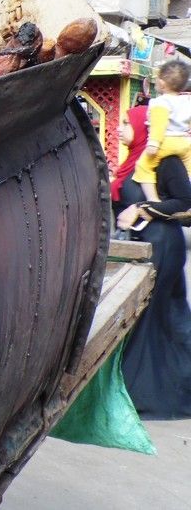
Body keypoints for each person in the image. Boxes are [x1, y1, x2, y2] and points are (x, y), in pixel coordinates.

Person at [113, 106, 191, 419]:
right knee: (165, 317)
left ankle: (140, 394)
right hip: (143, 247)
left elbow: (186, 203)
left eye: (125, 124)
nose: (119, 129)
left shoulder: (165, 161)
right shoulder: (133, 163)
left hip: (163, 248)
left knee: (148, 316)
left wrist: (143, 208)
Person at [132, 60, 191, 201]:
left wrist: (154, 143)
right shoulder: (186, 102)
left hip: (165, 142)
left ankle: (153, 199)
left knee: (143, 167)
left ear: (162, 83)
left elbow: (159, 124)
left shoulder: (160, 102)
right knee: (188, 170)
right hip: (184, 143)